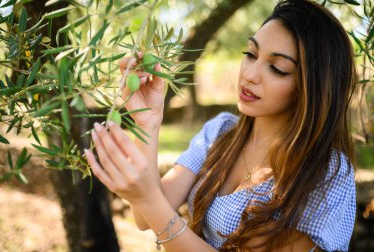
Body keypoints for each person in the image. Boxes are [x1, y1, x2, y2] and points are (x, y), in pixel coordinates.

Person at [84, 0, 357, 251]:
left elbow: (151, 205)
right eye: (250, 54)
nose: (249, 75)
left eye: (277, 69)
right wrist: (148, 120)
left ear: (313, 87)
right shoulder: (221, 131)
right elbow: (144, 218)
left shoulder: (326, 174)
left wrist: (147, 198)